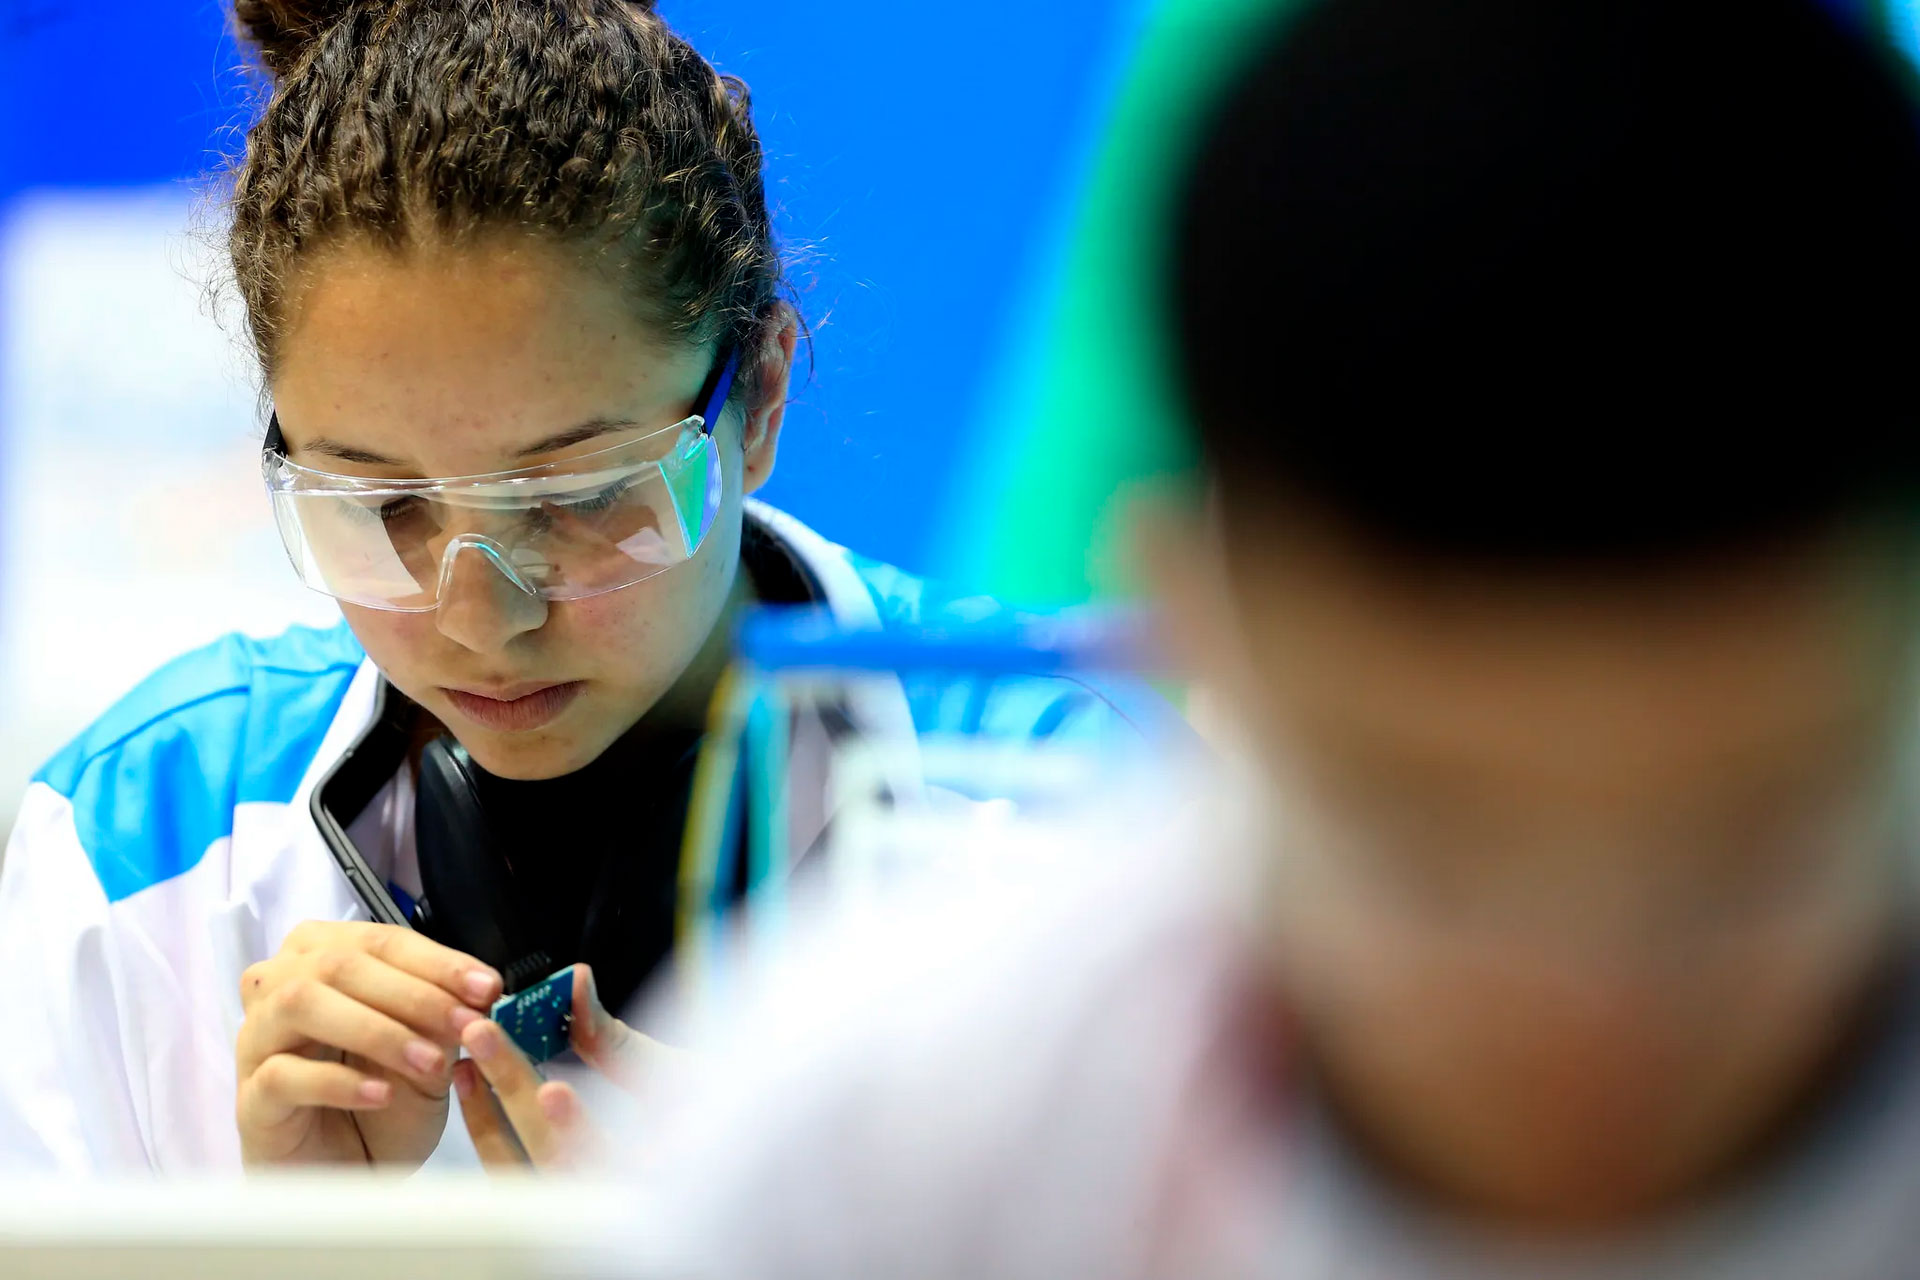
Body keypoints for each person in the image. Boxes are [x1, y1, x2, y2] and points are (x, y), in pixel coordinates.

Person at [516, 0, 1920, 1274]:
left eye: (1749, 833)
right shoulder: (868, 1169)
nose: (1588, 1009)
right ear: (1192, 618)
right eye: (1429, 830)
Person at [0, 0, 1154, 1173]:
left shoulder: (1083, 821)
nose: (480, 619)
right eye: (383, 507)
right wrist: (298, 1243)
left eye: (580, 495)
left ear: (759, 400)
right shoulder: (128, 848)